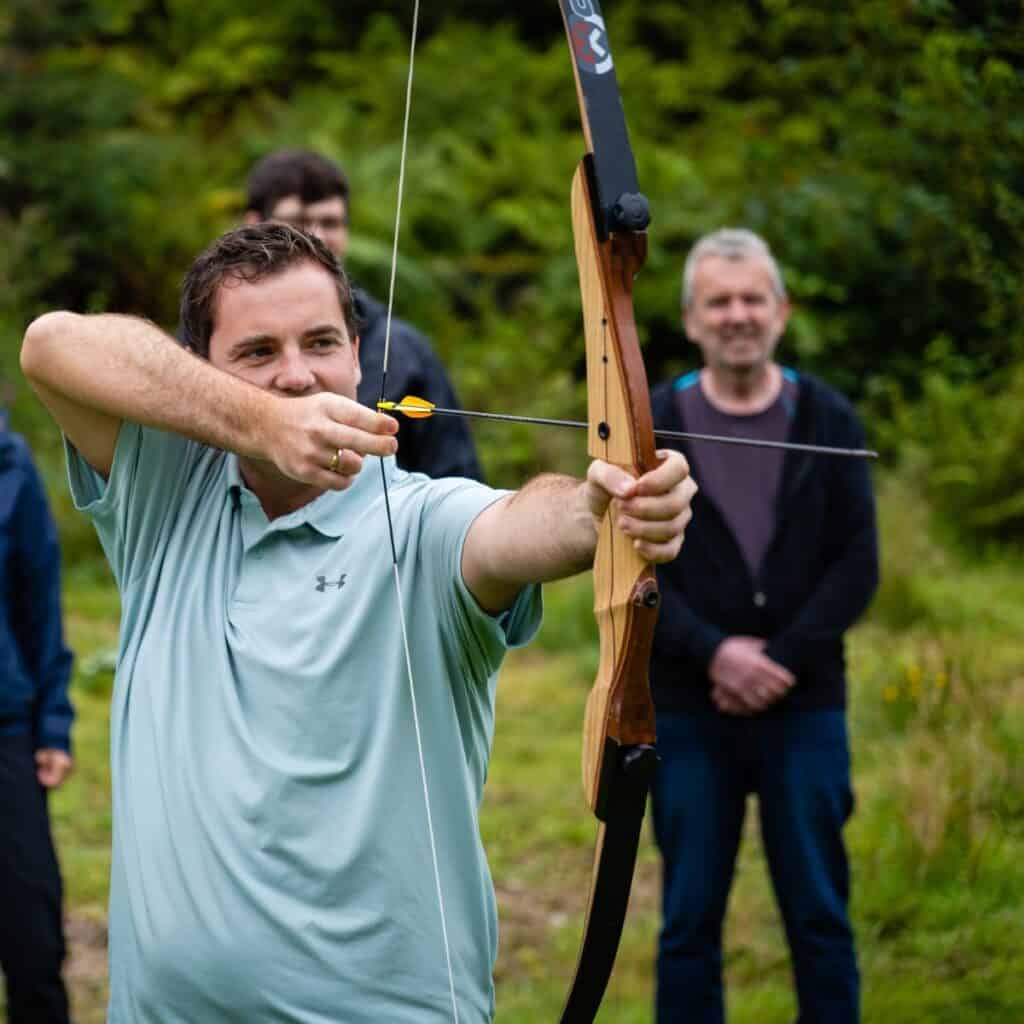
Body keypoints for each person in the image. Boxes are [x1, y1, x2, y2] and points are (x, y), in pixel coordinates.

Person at [21, 222, 697, 1023]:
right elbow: (51, 345)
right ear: (205, 371)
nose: (298, 376)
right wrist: (261, 423)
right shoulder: (164, 502)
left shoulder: (422, 522)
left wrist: (602, 512)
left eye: (320, 342)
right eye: (257, 352)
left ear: (358, 354)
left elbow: (524, 525)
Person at [647, 228, 879, 1023]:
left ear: (781, 312)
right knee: (686, 922)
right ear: (691, 318)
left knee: (818, 913)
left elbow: (857, 564)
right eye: (719, 300)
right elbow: (631, 568)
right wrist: (713, 652)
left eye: (753, 299)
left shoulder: (830, 417)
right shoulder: (652, 424)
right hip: (685, 707)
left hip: (805, 703)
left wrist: (777, 657)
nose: (737, 315)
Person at [244, 147, 484, 481]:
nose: (316, 236)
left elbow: (459, 483)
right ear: (253, 225)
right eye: (296, 221)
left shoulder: (403, 352)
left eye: (330, 222)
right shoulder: (208, 341)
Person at [0, 417, 74, 1023]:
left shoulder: (9, 462)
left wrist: (52, 721)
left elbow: (39, 598)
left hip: (7, 730)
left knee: (33, 941)